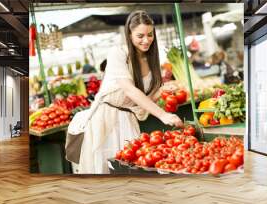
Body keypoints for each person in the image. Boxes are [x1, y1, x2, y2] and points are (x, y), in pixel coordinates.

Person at [68, 10, 183, 174]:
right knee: (107, 170)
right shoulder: (118, 53)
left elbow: (142, 101)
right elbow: (129, 90)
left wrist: (162, 90)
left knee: (130, 169)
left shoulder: (151, 60)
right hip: (106, 119)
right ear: (129, 35)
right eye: (140, 36)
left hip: (128, 120)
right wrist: (163, 115)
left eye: (150, 35)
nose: (146, 40)